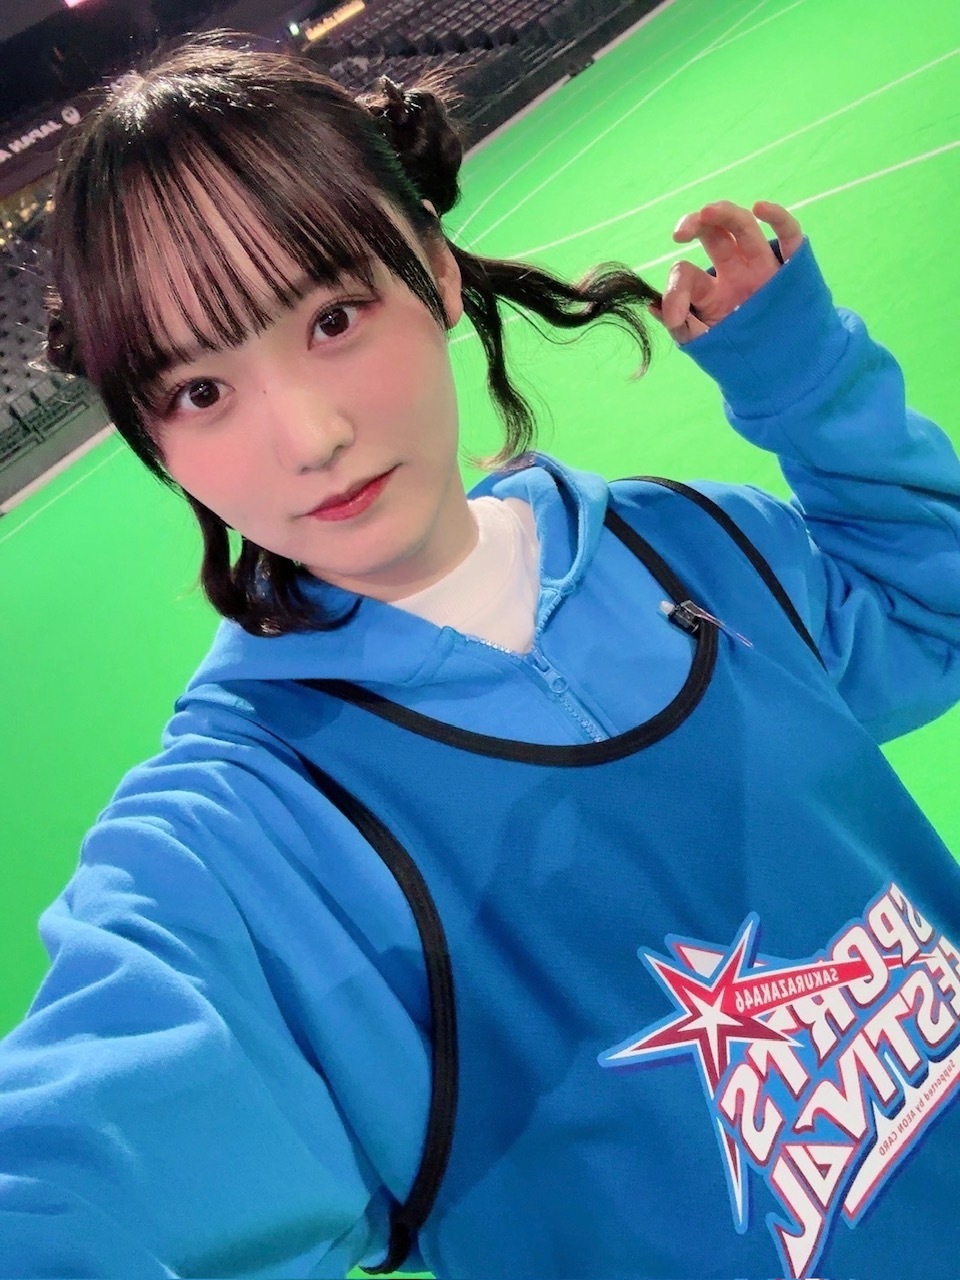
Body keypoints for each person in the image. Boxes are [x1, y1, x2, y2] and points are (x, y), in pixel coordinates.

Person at [2, 30, 960, 1280]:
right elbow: (75, 1183)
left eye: (333, 317)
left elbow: (930, 613)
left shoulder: (692, 544)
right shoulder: (247, 835)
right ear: (155, 442)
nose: (309, 434)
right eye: (199, 391)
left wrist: (807, 382)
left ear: (437, 273)